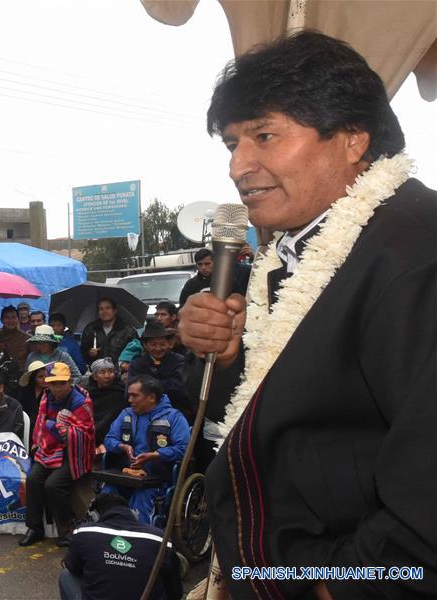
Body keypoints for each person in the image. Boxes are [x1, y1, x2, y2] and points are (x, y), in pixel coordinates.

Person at [175, 31, 437, 598]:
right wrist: (226, 359)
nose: (239, 166)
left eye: (265, 136)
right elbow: (282, 425)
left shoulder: (416, 254)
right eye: (231, 144)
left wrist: (329, 589)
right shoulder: (287, 256)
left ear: (351, 138)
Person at [20, 362, 95, 547]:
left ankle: (67, 529)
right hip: (49, 449)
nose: (58, 388)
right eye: (54, 383)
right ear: (48, 384)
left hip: (74, 452)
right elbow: (40, 423)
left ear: (69, 382)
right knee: (33, 479)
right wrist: (40, 441)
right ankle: (35, 528)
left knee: (53, 485)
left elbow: (85, 432)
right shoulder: (46, 398)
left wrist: (58, 428)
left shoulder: (81, 402)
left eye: (62, 383)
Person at [60, 493, 183, 600]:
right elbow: (175, 592)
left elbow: (73, 567)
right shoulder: (161, 539)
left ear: (95, 516)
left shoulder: (84, 533)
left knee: (66, 576)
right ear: (134, 514)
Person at [102, 375, 189, 524]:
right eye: (129, 395)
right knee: (108, 492)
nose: (130, 400)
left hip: (157, 479)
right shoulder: (126, 414)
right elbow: (109, 439)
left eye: (135, 396)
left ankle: (138, 538)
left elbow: (184, 448)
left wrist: (156, 455)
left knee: (142, 498)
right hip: (126, 475)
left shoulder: (173, 417)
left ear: (151, 397)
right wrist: (122, 446)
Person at [129, 322, 188, 418]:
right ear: (145, 345)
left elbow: (178, 387)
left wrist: (147, 387)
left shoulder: (179, 361)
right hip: (143, 413)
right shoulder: (137, 363)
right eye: (153, 344)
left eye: (162, 344)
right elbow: (132, 389)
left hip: (176, 412)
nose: (158, 348)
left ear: (169, 344)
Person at [83, 358, 126, 453]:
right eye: (102, 372)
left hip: (114, 431)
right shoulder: (87, 393)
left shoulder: (121, 392)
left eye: (110, 371)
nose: (107, 376)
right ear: (94, 377)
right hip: (92, 431)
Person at [79, 299, 135, 369]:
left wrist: (124, 364)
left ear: (114, 311)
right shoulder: (90, 329)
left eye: (108, 308)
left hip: (120, 373)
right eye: (101, 309)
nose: (104, 311)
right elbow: (82, 351)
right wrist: (89, 353)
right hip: (98, 374)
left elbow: (135, 352)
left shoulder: (128, 331)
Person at [0, 305, 31, 370]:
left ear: (18, 319)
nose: (11, 320)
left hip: (21, 375)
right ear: (1, 320)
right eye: (7, 318)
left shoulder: (27, 338)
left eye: (13, 317)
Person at [16, 360, 48, 427]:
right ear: (33, 379)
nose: (45, 379)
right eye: (40, 377)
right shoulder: (24, 392)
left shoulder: (50, 392)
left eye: (46, 375)